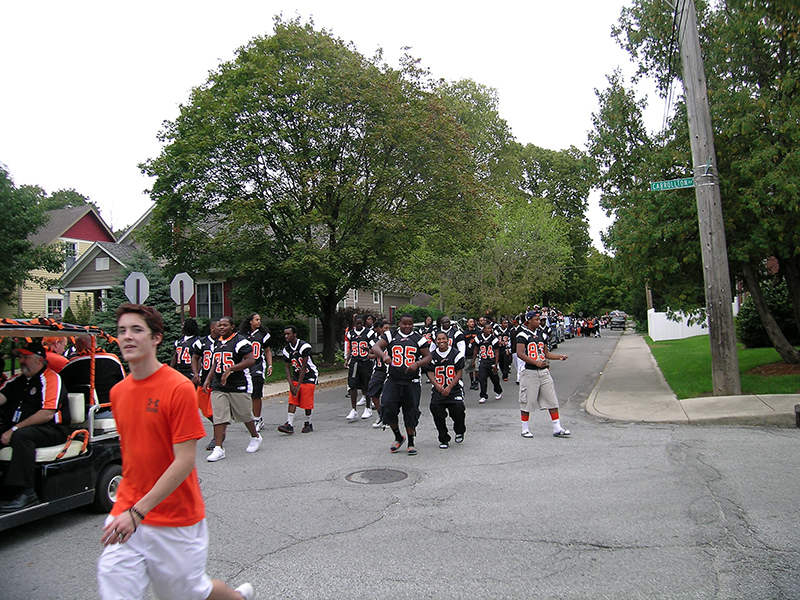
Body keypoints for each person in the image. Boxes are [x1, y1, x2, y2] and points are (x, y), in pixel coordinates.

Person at [96, 304, 254, 600]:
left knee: (191, 594)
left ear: (156, 338)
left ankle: (235, 597)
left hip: (175, 518)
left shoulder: (177, 387)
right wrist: (130, 511)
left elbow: (184, 462)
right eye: (121, 331)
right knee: (115, 590)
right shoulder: (118, 393)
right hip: (127, 513)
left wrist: (138, 511)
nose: (127, 337)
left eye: (136, 330)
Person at [0, 341, 71, 512]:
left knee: (21, 435)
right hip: (21, 428)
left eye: (26, 357)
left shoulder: (51, 378)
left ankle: (27, 492)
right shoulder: (17, 380)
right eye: (20, 357)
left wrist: (14, 429)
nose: (21, 361)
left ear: (39, 360)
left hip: (52, 429)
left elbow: (47, 413)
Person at [370, 314, 432, 455]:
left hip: (412, 382)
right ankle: (398, 436)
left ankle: (411, 442)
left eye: (410, 324)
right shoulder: (391, 335)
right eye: (404, 323)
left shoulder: (418, 338)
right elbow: (375, 347)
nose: (407, 326)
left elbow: (428, 356)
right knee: (388, 409)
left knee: (410, 412)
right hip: (393, 380)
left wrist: (417, 363)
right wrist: (384, 355)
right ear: (399, 323)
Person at [202, 316, 262, 462]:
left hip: (238, 383)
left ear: (232, 327)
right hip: (219, 385)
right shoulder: (217, 343)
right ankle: (219, 448)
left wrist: (230, 369)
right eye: (219, 325)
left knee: (244, 415)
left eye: (225, 325)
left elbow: (250, 360)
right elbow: (215, 363)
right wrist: (208, 379)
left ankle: (255, 436)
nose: (221, 328)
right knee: (219, 416)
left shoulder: (240, 341)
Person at [515, 310, 571, 439]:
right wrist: (535, 363)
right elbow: (520, 353)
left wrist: (559, 357)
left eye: (539, 320)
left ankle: (557, 427)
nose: (539, 322)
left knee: (551, 399)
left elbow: (546, 353)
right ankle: (525, 428)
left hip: (543, 371)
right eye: (536, 319)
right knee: (527, 400)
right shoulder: (522, 334)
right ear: (529, 320)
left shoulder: (542, 334)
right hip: (529, 372)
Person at [426, 331, 466, 449]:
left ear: (448, 340)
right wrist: (437, 385)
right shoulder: (431, 355)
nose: (441, 341)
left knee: (458, 410)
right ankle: (443, 438)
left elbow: (459, 372)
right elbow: (430, 372)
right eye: (439, 339)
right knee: (437, 412)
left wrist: (449, 386)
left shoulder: (456, 354)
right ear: (435, 341)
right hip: (438, 389)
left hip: (454, 389)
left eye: (443, 338)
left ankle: (459, 430)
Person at [60, 335, 126, 406]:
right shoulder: (113, 360)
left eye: (76, 344)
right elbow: (123, 383)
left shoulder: (73, 363)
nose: (75, 347)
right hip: (110, 408)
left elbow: (62, 386)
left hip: (83, 409)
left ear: (83, 343)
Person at [277, 325, 318, 435]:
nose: (286, 336)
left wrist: (298, 385)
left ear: (294, 334)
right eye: (285, 334)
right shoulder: (287, 349)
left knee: (306, 400)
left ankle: (308, 423)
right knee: (293, 398)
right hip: (296, 375)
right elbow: (287, 368)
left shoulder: (304, 346)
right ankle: (289, 424)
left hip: (309, 375)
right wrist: (291, 384)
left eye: (288, 334)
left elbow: (304, 367)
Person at [239, 313, 273, 432]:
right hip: (244, 367)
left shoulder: (263, 335)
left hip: (257, 365)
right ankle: (252, 417)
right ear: (250, 321)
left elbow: (267, 351)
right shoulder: (241, 335)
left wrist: (270, 365)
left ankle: (257, 419)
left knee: (256, 393)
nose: (259, 322)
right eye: (256, 320)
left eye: (260, 319)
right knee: (245, 393)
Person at [192, 319, 221, 451]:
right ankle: (220, 426)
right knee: (204, 410)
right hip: (204, 380)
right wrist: (196, 373)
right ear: (212, 328)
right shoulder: (201, 342)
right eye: (218, 326)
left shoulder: (223, 342)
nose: (221, 328)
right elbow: (195, 357)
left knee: (213, 410)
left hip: (217, 381)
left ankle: (217, 436)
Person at [344, 315, 376, 421]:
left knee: (366, 385)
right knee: (352, 385)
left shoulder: (369, 333)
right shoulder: (350, 333)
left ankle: (368, 408)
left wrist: (368, 349)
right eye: (357, 323)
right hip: (355, 361)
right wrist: (346, 360)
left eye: (360, 323)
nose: (359, 325)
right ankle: (353, 410)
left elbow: (374, 347)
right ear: (354, 322)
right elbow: (350, 348)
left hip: (366, 361)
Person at [365, 319, 390, 428]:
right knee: (373, 393)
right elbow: (369, 355)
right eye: (385, 328)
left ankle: (388, 417)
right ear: (380, 329)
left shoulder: (393, 341)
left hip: (390, 371)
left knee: (388, 396)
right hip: (379, 370)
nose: (387, 331)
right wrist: (380, 355)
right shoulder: (374, 341)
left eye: (389, 328)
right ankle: (381, 415)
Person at [473, 322, 503, 404]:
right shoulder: (478, 338)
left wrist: (496, 364)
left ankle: (498, 391)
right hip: (483, 361)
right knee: (482, 379)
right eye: (488, 328)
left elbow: (496, 351)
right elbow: (476, 349)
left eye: (490, 328)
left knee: (495, 379)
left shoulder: (494, 339)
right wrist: (474, 360)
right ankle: (483, 395)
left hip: (492, 361)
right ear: (483, 329)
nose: (489, 330)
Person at [463, 317, 480, 390]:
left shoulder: (477, 332)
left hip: (475, 353)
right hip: (468, 353)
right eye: (470, 322)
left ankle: (476, 382)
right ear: (467, 323)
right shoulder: (465, 333)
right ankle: (472, 382)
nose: (472, 323)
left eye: (473, 322)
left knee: (476, 368)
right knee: (469, 369)